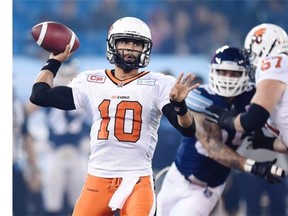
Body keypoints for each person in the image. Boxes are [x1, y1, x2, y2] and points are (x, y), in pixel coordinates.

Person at [29, 16, 199, 216]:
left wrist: (179, 105)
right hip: (98, 178)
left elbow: (188, 129)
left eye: (136, 44)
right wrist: (53, 62)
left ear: (145, 48)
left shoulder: (158, 83)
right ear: (113, 44)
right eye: (124, 42)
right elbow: (39, 95)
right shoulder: (91, 80)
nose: (130, 48)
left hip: (137, 180)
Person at [156, 46, 285, 216]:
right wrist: (254, 167)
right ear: (213, 71)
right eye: (223, 72)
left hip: (206, 189)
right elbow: (212, 147)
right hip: (176, 177)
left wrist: (268, 142)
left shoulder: (254, 97)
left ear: (246, 74)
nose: (228, 78)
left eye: (234, 73)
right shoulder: (200, 96)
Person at [204, 23, 288, 154]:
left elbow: (253, 119)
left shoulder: (275, 62)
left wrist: (226, 119)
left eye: (251, 54)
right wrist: (268, 143)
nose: (250, 60)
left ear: (261, 47)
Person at [38, 60, 91, 215]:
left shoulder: (84, 96)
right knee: (52, 198)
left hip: (78, 150)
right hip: (54, 150)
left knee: (80, 197)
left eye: (71, 75)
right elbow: (36, 116)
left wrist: (87, 141)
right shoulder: (47, 95)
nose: (68, 79)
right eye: (65, 75)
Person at [13, 91, 42, 215]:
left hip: (15, 166)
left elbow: (26, 139)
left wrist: (35, 170)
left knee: (21, 208)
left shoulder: (17, 106)